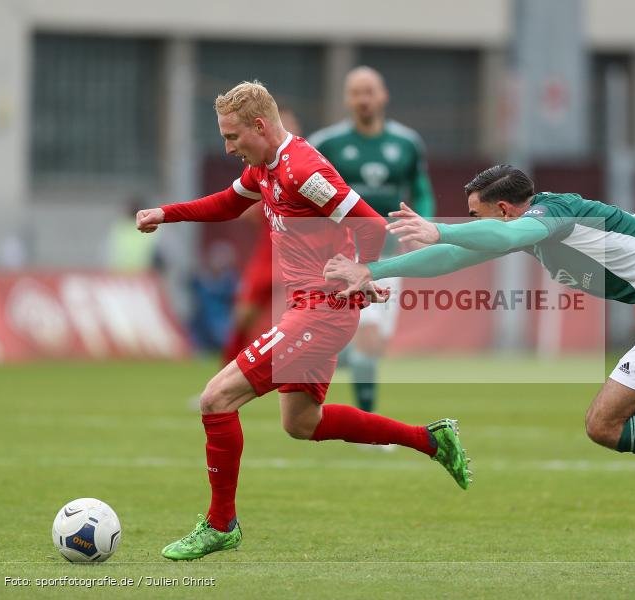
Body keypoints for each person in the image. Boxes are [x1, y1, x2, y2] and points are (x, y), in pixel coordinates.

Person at [323, 164, 635, 574]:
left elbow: (490, 238)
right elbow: (450, 258)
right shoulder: (528, 228)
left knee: (604, 424)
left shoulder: (552, 212)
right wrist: (374, 270)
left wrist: (439, 229)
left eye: (476, 215)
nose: (471, 223)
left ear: (504, 210)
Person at [135, 81, 470, 561]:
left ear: (259, 126)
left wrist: (363, 272)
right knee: (301, 422)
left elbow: (370, 224)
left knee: (215, 399)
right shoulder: (264, 166)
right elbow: (229, 202)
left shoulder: (302, 170)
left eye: (232, 137)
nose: (228, 148)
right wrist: (165, 213)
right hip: (308, 309)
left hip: (322, 311)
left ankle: (220, 525)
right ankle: (430, 440)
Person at [307, 66, 436, 416]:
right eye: (356, 92)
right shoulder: (326, 144)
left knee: (374, 342)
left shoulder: (406, 143)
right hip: (345, 255)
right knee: (367, 333)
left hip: (390, 255)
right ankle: (368, 425)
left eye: (369, 91)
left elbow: (421, 190)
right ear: (346, 99)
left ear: (383, 96)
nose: (363, 99)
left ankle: (325, 354)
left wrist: (421, 225)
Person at [220, 108, 303, 366]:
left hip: (297, 260)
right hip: (266, 257)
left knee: (296, 321)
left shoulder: (304, 165)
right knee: (243, 317)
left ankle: (293, 376)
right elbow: (241, 209)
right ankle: (227, 373)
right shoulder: (260, 166)